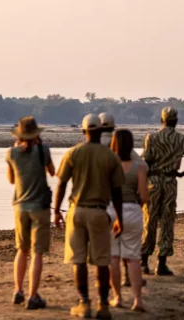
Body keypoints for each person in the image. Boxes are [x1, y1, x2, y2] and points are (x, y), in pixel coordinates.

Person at [54, 114, 125, 320]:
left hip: (76, 211)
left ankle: (84, 303)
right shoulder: (110, 156)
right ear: (101, 131)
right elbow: (117, 192)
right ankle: (103, 306)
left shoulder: (73, 153)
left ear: (83, 131)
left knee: (78, 260)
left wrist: (57, 210)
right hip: (99, 212)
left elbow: (62, 184)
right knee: (102, 261)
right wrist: (119, 218)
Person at [141, 107, 184, 276]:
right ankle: (161, 264)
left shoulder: (151, 138)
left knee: (149, 220)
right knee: (167, 222)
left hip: (152, 182)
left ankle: (144, 261)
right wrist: (182, 174)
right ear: (175, 121)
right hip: (170, 182)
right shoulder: (182, 139)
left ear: (162, 120)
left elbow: (145, 162)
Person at [6, 116, 55, 310]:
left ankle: (18, 290)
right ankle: (33, 295)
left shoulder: (11, 153)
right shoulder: (43, 151)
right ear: (36, 134)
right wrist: (40, 148)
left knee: (22, 250)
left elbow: (11, 180)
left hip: (20, 207)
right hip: (40, 208)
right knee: (37, 254)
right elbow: (52, 172)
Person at [99, 112, 147, 287]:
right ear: (113, 125)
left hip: (103, 204)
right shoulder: (120, 142)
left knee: (111, 251)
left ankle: (112, 291)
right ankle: (129, 278)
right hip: (129, 205)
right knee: (131, 251)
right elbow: (143, 166)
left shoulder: (92, 143)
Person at [108, 129, 149, 312]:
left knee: (114, 258)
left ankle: (117, 298)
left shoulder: (109, 165)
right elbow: (145, 196)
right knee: (132, 258)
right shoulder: (139, 167)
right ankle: (138, 300)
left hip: (111, 212)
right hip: (132, 210)